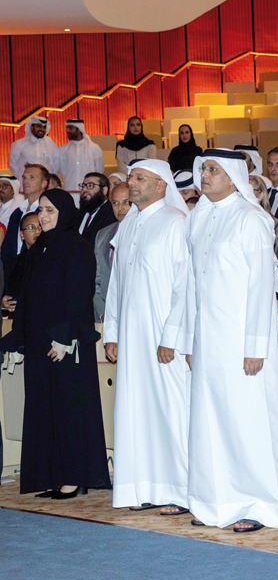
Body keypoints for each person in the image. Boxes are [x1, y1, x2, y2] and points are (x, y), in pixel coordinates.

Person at [185, 149, 278, 533]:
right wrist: (188, 341)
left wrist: (255, 346)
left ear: (233, 177)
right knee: (211, 423)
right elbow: (191, 286)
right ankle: (215, 501)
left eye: (213, 169)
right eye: (203, 169)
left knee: (247, 423)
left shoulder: (251, 219)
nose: (205, 174)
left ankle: (258, 504)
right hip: (208, 339)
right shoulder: (198, 216)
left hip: (244, 341)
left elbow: (262, 286)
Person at [1, 188, 109, 499]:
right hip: (38, 344)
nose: (44, 216)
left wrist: (64, 337)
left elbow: (77, 294)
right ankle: (52, 474)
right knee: (43, 410)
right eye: (41, 210)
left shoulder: (76, 246)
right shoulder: (38, 249)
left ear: (63, 211)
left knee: (69, 409)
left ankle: (74, 477)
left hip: (65, 344)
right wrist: (18, 338)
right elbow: (29, 298)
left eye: (50, 210)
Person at [102, 159, 191, 514]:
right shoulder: (128, 225)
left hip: (163, 338)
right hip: (131, 336)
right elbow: (116, 285)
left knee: (170, 408)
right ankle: (143, 486)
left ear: (161, 184)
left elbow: (185, 287)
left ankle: (180, 491)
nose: (132, 183)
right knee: (135, 410)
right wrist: (112, 332)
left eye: (140, 178)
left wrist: (172, 336)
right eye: (130, 177)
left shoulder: (176, 222)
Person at [93, 183, 132, 322]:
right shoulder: (103, 234)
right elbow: (96, 278)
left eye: (126, 202)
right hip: (107, 317)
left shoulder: (146, 233)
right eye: (115, 203)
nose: (120, 208)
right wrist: (103, 312)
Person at [1, 163, 49, 267]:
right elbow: (7, 245)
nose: (25, 181)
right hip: (15, 271)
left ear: (43, 184)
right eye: (24, 177)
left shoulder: (47, 212)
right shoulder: (17, 212)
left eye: (31, 177)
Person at [2, 212, 40, 315]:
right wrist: (3, 302)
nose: (37, 231)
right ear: (21, 234)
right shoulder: (13, 263)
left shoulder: (55, 260)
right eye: (31, 227)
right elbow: (5, 291)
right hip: (17, 319)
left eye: (40, 226)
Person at [57, 120, 103, 199]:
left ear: (79, 129)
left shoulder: (94, 148)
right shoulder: (64, 149)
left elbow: (99, 170)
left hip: (90, 193)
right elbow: (64, 172)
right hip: (71, 191)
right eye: (67, 128)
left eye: (70, 128)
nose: (67, 131)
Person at [8, 116, 58, 180]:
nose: (42, 129)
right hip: (26, 184)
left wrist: (48, 179)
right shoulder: (19, 144)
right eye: (39, 126)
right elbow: (13, 165)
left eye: (44, 127)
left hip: (45, 184)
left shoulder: (52, 145)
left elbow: (56, 165)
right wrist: (24, 178)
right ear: (31, 127)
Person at [249, 174, 278, 258]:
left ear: (261, 195)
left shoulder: (274, 222)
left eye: (249, 190)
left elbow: (274, 256)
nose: (244, 193)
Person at [78, 173, 116, 244]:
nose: (84, 190)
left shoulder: (111, 214)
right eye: (83, 186)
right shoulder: (81, 212)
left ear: (104, 190)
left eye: (90, 186)